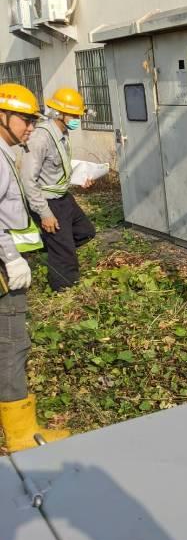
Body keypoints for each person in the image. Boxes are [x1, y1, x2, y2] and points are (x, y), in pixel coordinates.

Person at [0, 83, 70, 452]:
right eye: (25, 119)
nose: (30, 127)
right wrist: (10, 257)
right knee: (12, 343)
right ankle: (21, 434)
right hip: (2, 266)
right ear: (3, 116)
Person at [21, 87, 95, 291]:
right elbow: (28, 179)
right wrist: (44, 213)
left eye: (78, 115)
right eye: (73, 115)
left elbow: (57, 169)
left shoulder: (62, 133)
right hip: (48, 201)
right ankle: (64, 290)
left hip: (63, 197)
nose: (76, 119)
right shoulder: (40, 138)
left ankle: (51, 246)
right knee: (64, 251)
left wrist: (80, 179)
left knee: (85, 231)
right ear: (59, 114)